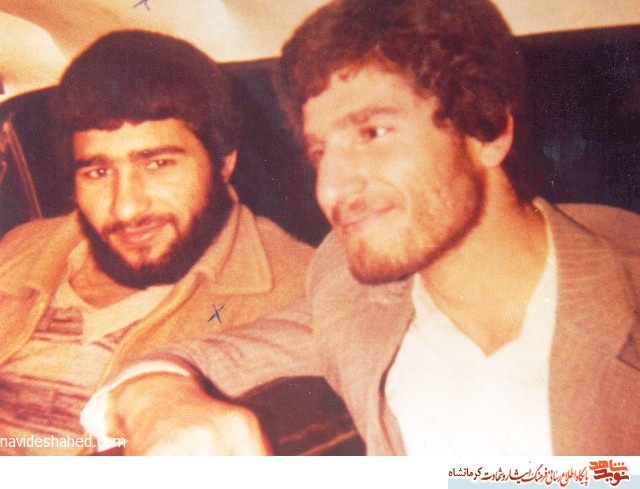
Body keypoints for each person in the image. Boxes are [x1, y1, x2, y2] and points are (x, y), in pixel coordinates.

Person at [83, 0, 640, 456]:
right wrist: (156, 400)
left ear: (487, 130)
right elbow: (217, 354)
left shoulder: (623, 296)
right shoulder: (352, 289)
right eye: (320, 152)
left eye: (373, 133)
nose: (331, 189)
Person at [0, 30, 316, 455]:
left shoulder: (301, 286)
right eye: (97, 172)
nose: (126, 207)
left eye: (158, 164)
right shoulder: (22, 248)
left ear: (224, 162)